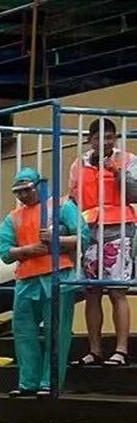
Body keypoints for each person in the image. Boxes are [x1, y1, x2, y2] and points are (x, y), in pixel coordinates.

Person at [0, 166, 81, 396]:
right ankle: (28, 382)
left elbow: (82, 236)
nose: (23, 195)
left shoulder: (62, 206)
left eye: (27, 189)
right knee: (23, 332)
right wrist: (29, 250)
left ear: (39, 186)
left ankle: (49, 382)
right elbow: (4, 252)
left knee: (57, 331)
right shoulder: (13, 217)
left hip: (58, 275)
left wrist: (57, 239)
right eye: (18, 192)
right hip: (26, 280)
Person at [70, 117, 137, 366]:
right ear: (90, 140)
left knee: (117, 290)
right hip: (89, 230)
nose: (105, 142)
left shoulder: (128, 159)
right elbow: (74, 198)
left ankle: (121, 350)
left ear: (115, 138)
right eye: (99, 138)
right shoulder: (79, 163)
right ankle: (94, 350)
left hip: (120, 228)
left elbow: (135, 193)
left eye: (110, 137)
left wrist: (117, 172)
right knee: (92, 291)